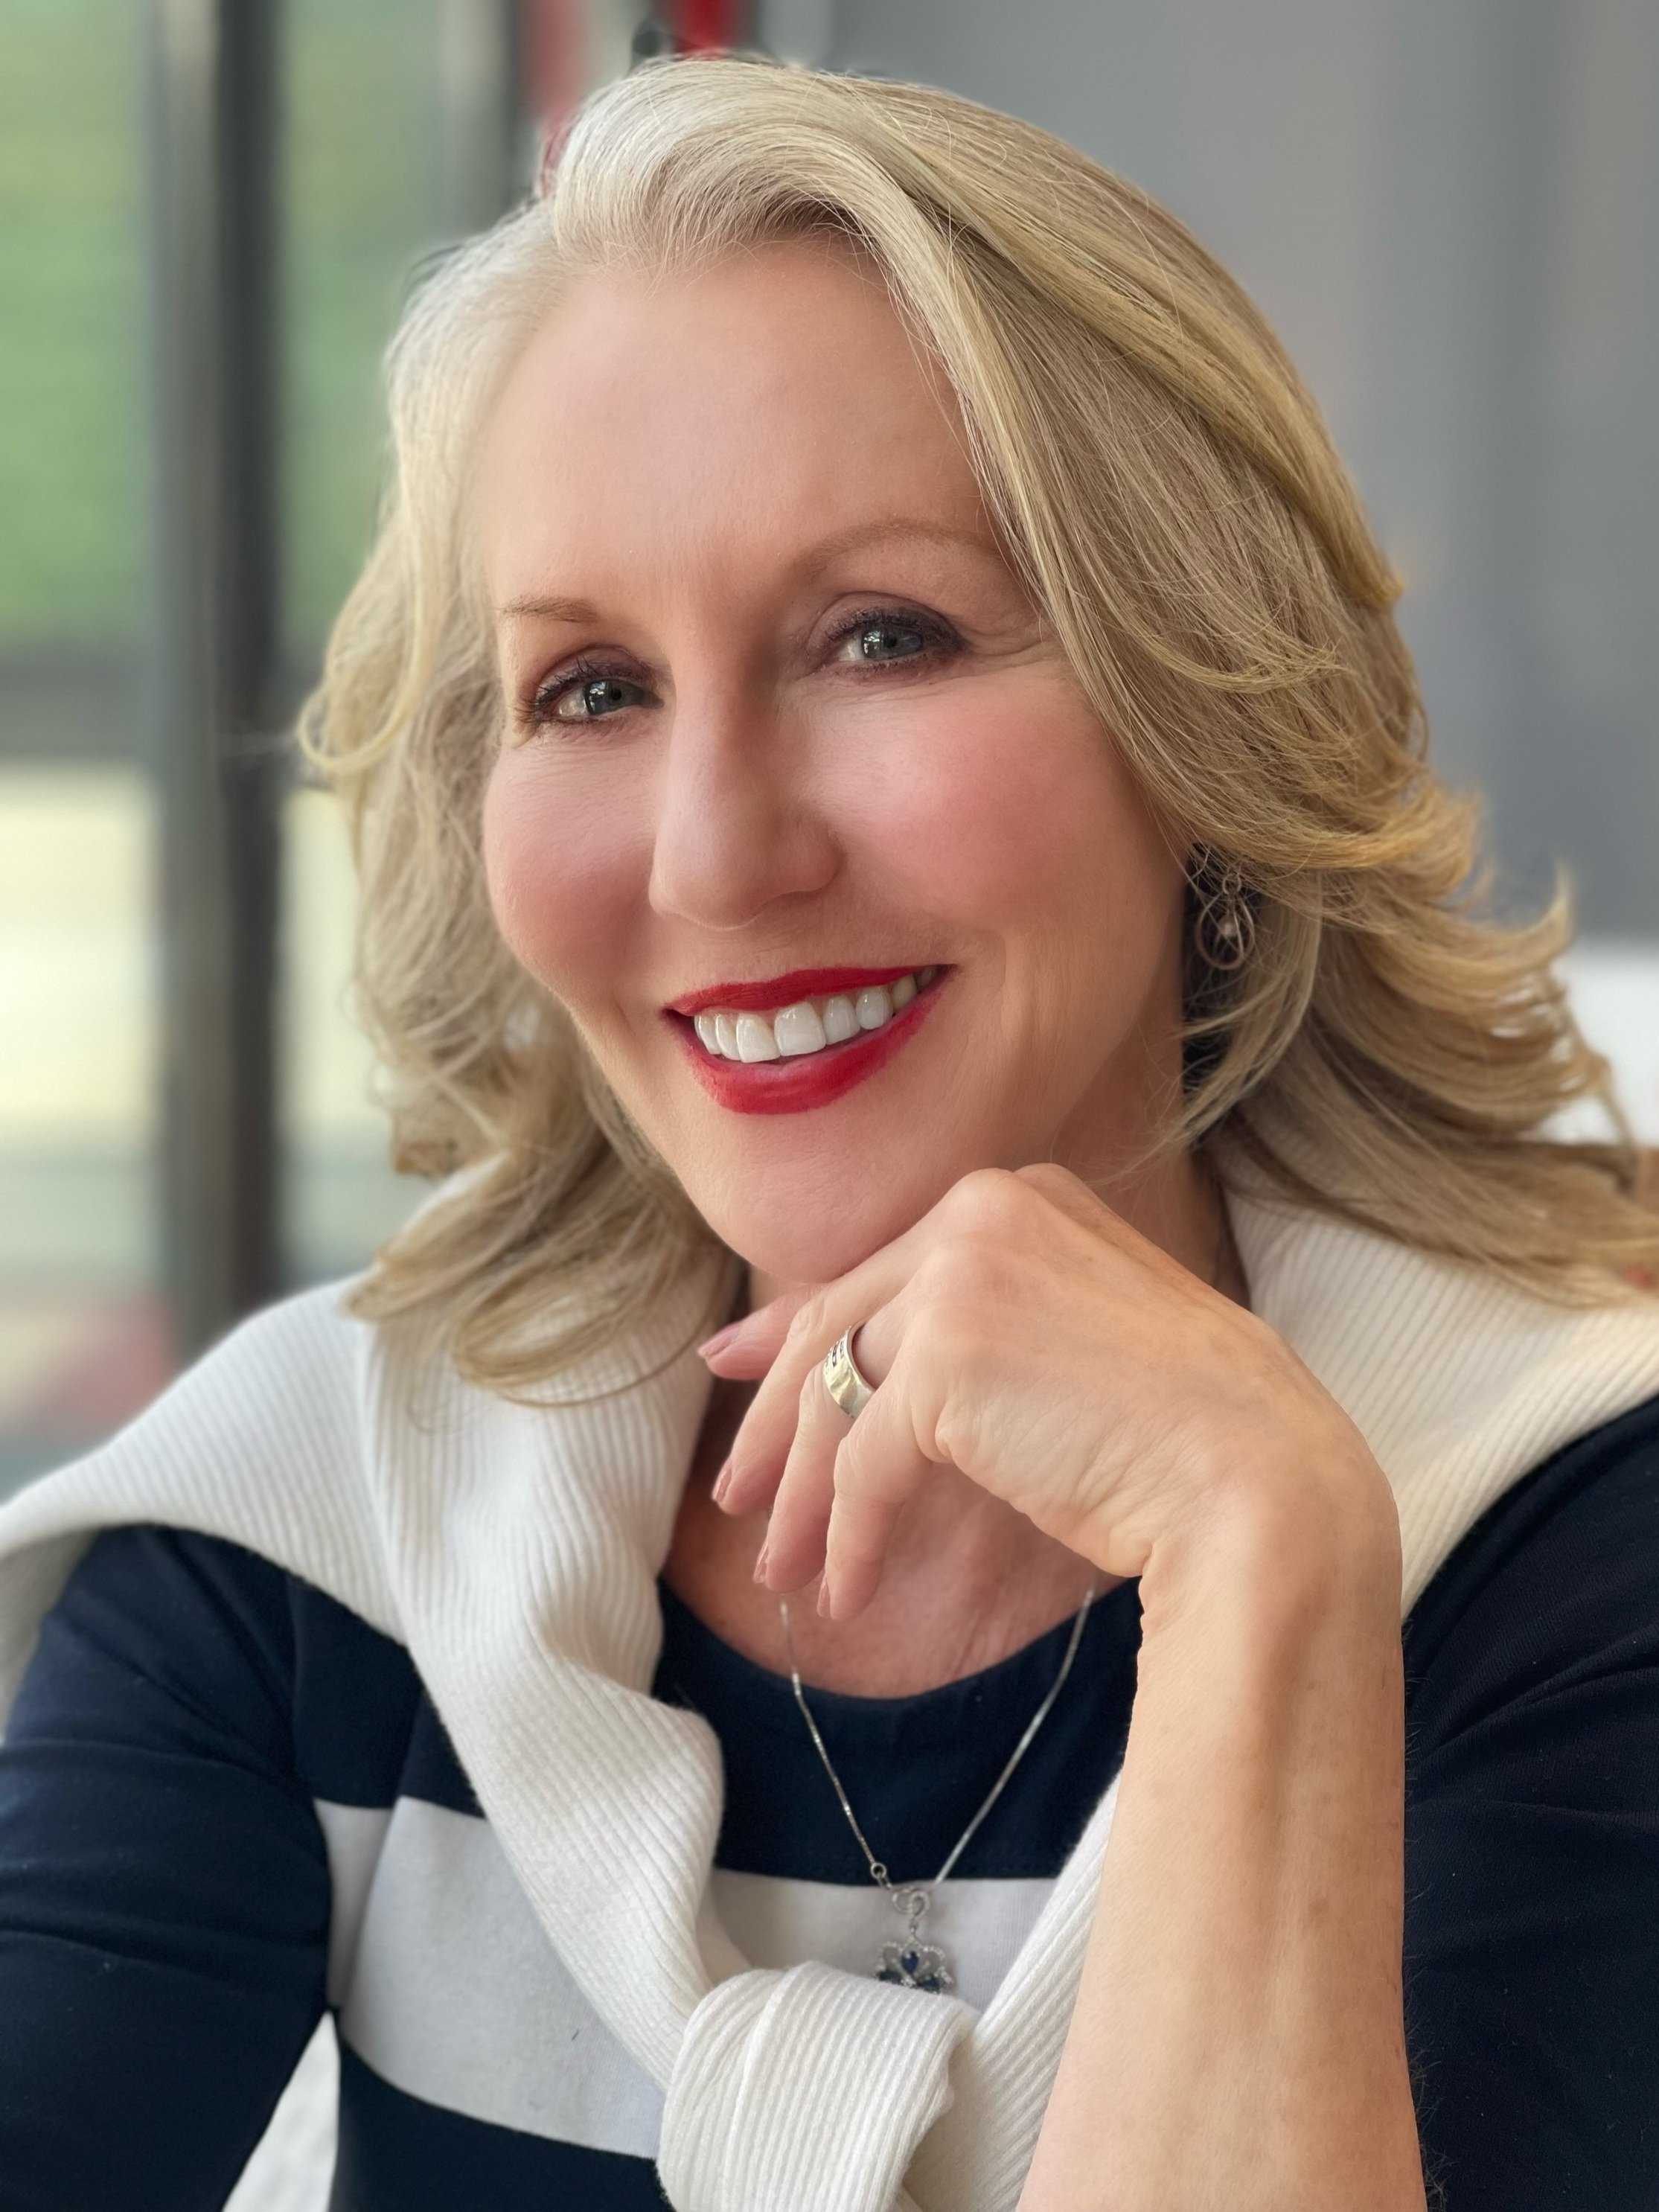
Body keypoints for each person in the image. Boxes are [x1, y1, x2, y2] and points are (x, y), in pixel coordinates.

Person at [3, 54, 1658, 2212]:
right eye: (589, 686)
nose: (717, 848)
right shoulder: (318, 1523)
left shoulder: (1572, 1543)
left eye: (884, 635)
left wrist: (1261, 1556)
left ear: (1205, 723)